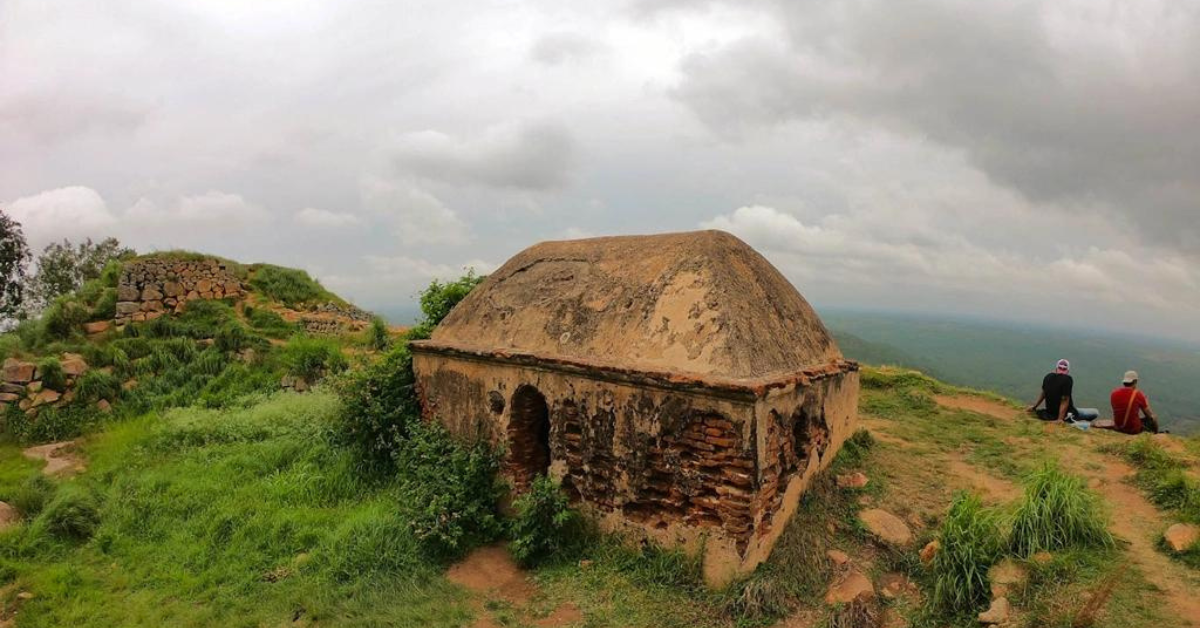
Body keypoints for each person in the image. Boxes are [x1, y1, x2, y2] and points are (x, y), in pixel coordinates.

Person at [1027, 359, 1100, 422]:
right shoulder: (1067, 379)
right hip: (1066, 414)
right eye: (1061, 368)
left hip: (1049, 412)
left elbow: (1043, 393)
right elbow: (1064, 400)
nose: (1062, 371)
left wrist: (1034, 407)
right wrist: (1060, 419)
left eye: (1063, 369)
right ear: (1068, 371)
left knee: (1078, 409)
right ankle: (1076, 419)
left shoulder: (1048, 376)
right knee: (1095, 412)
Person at [1110, 370, 1159, 434]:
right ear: (1135, 381)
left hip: (1118, 426)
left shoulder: (1114, 393)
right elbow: (1149, 415)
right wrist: (1145, 402)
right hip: (1133, 429)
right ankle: (1156, 435)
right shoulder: (1138, 394)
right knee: (1154, 417)